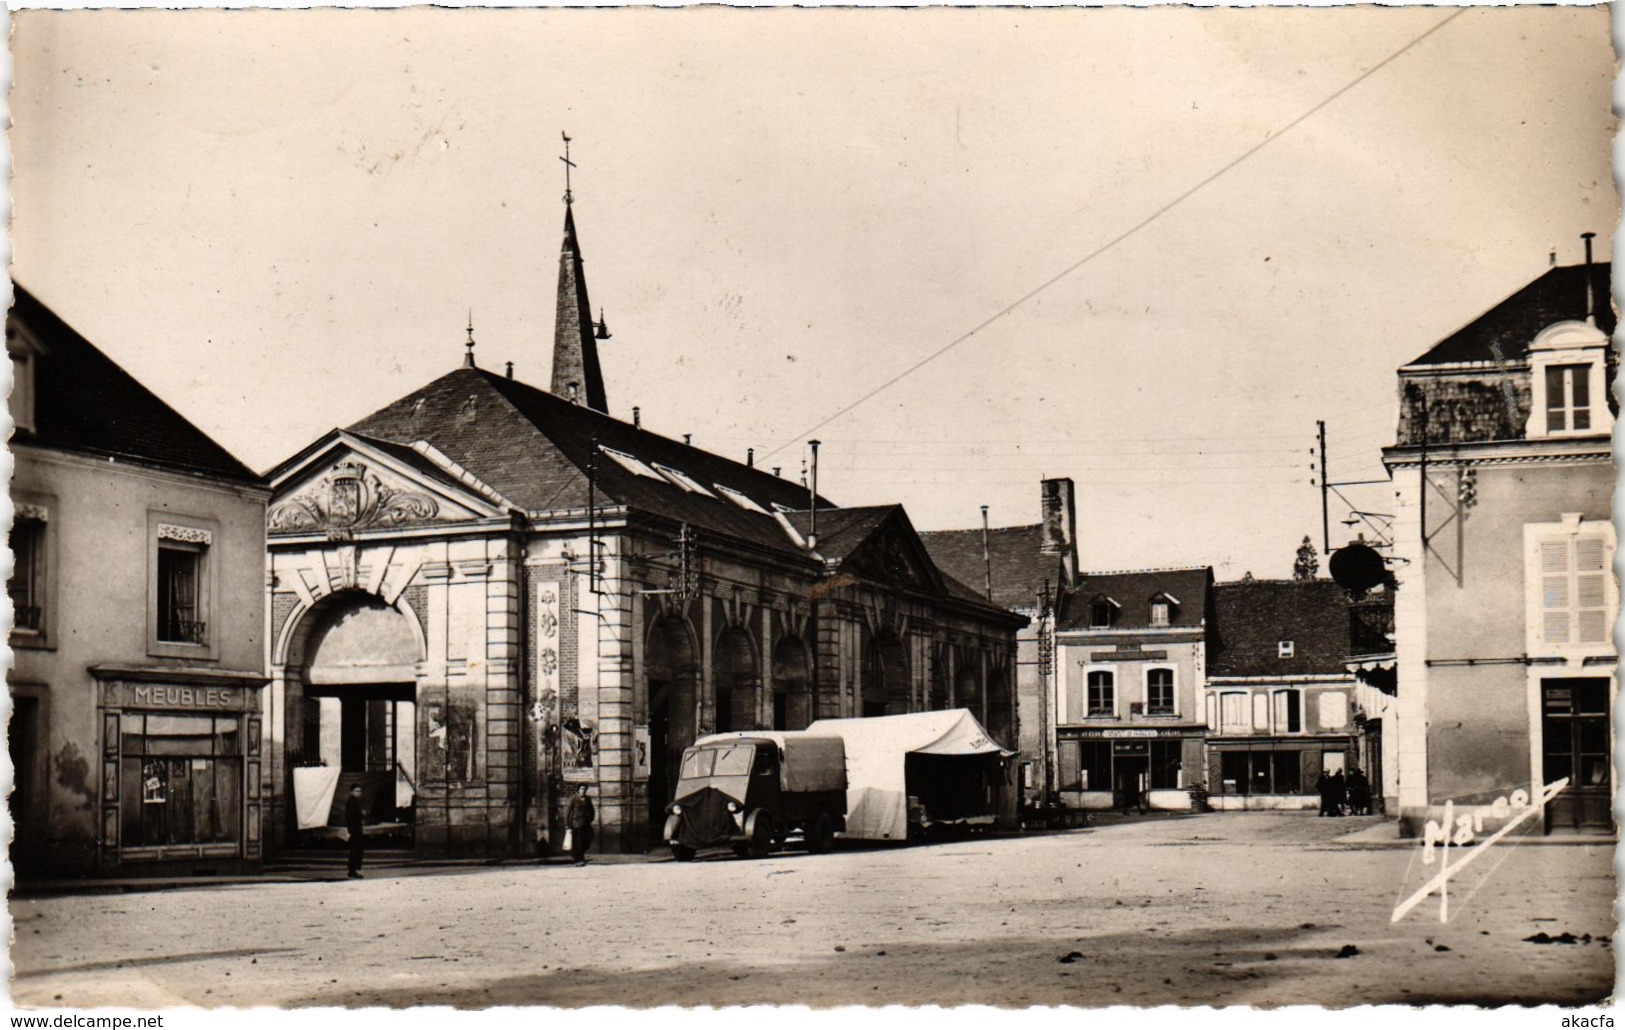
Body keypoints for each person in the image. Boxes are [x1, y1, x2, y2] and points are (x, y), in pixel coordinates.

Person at [566, 784, 595, 866]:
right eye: (582, 789)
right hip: (576, 824)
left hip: (586, 824)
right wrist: (568, 824)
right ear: (578, 790)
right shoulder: (573, 799)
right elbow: (568, 812)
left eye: (585, 789)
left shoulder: (588, 799)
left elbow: (592, 810)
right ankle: (579, 859)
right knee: (578, 842)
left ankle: (580, 856)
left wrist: (591, 819)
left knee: (589, 838)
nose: (583, 791)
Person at [345, 784, 366, 879]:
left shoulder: (355, 802)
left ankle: (353, 870)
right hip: (354, 829)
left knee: (356, 850)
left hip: (356, 828)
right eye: (357, 791)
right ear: (351, 792)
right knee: (355, 850)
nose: (359, 793)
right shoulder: (351, 802)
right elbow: (350, 817)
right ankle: (352, 871)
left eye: (360, 791)